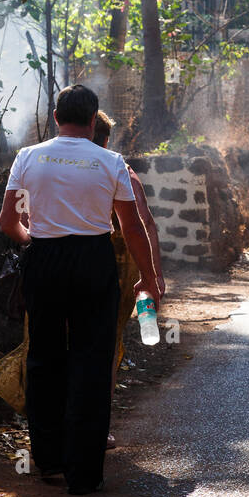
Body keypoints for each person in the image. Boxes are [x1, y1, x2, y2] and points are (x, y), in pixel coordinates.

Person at [0, 84, 161, 494]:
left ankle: (49, 461)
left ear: (55, 117)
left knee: (44, 359)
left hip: (45, 261)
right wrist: (149, 277)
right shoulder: (111, 161)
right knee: (92, 360)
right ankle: (84, 474)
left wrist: (31, 241)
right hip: (94, 261)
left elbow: (7, 223)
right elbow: (131, 227)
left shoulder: (28, 157)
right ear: (93, 121)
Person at [92, 110, 165, 449]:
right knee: (103, 349)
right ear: (106, 139)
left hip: (53, 268)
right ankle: (96, 427)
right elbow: (141, 225)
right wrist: (152, 276)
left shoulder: (45, 163)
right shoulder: (117, 169)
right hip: (114, 272)